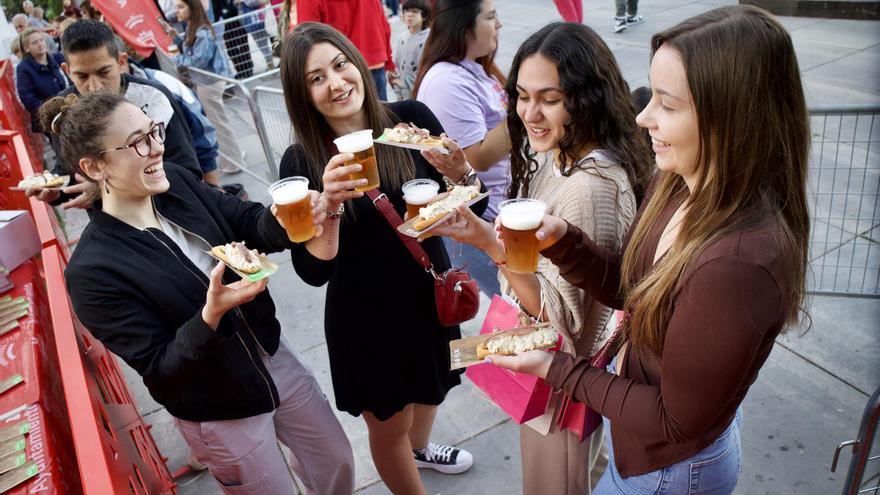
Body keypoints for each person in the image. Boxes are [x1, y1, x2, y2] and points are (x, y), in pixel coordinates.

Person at [486, 6, 810, 494]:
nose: (643, 116)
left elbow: (673, 420)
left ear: (732, 116)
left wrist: (554, 367)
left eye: (667, 104)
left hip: (669, 470)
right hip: (640, 445)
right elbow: (635, 290)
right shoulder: (677, 177)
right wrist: (563, 244)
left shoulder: (739, 261)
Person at [42, 91, 354, 495]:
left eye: (154, 132)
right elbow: (160, 370)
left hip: (270, 353)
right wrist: (211, 316)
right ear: (94, 166)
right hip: (218, 408)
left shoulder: (178, 183)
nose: (157, 147)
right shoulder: (92, 271)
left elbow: (245, 221)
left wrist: (282, 220)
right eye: (139, 141)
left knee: (336, 460)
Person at [431, 22, 651, 494]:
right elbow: (526, 234)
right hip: (552, 376)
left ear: (585, 97)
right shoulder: (561, 152)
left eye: (549, 98)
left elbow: (559, 321)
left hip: (562, 389)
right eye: (523, 95)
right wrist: (464, 175)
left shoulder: (589, 188)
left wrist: (489, 245)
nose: (530, 112)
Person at [279, 22, 482, 493]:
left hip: (431, 297)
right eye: (316, 78)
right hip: (367, 324)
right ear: (302, 94)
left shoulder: (410, 120)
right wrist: (328, 207)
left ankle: (421, 451)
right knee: (389, 427)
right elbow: (312, 273)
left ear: (357, 63)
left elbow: (474, 205)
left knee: (437, 390)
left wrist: (463, 172)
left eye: (340, 64)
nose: (336, 82)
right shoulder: (303, 163)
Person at [27, 19, 202, 211]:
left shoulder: (153, 98)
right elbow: (69, 170)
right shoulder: (63, 109)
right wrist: (56, 191)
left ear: (121, 62)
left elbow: (187, 170)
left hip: (171, 213)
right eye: (82, 76)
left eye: (104, 72)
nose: (94, 86)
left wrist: (105, 189)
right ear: (67, 71)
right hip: (112, 228)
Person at [414, 0, 509, 296]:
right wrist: (527, 111)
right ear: (463, 26)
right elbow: (476, 156)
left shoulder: (474, 67)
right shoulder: (446, 80)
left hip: (500, 214)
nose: (499, 24)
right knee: (528, 309)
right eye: (491, 16)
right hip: (484, 221)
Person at [171, 0, 245, 175]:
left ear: (192, 8)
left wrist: (176, 60)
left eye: (181, 7)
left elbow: (197, 61)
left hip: (209, 82)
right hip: (206, 81)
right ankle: (234, 159)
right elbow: (191, 52)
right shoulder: (193, 27)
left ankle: (234, 163)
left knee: (219, 124)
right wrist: (176, 38)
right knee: (219, 122)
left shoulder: (202, 32)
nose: (177, 11)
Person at [297, 0, 396, 101]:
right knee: (379, 112)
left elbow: (306, 40)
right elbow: (384, 25)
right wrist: (389, 62)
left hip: (338, 71)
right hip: (373, 60)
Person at [14, 27, 68, 133]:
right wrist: (52, 111)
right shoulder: (24, 68)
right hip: (51, 121)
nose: (40, 44)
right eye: (35, 42)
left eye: (41, 40)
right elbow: (27, 98)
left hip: (73, 109)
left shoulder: (58, 58)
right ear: (26, 49)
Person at [389, 0, 430, 101]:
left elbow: (423, 71)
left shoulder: (428, 40)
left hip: (418, 95)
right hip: (402, 94)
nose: (409, 15)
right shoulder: (402, 37)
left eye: (414, 11)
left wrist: (402, 83)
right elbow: (396, 65)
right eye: (406, 11)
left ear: (424, 16)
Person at [211, 0, 255, 79]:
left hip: (239, 24)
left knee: (243, 47)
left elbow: (236, 9)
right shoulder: (217, 2)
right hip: (227, 26)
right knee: (231, 50)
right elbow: (216, 14)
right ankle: (240, 70)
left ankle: (248, 68)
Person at [240, 0, 275, 70]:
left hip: (257, 21)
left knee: (262, 44)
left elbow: (251, 3)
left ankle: (270, 63)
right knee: (263, 44)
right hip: (260, 19)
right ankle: (270, 63)